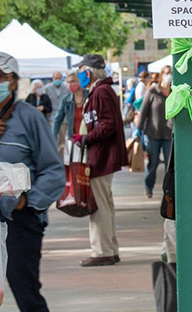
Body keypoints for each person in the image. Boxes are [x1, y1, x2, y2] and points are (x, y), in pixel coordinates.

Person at [0, 53, 65, 312]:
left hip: (19, 220)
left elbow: (53, 170)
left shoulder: (30, 117)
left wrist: (26, 201)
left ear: (13, 82)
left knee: (25, 291)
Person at [72, 54, 128, 267]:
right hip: (101, 156)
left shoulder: (101, 92)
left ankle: (103, 250)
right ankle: (108, 249)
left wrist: (86, 138)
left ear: (89, 71)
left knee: (99, 206)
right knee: (104, 205)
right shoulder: (101, 91)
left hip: (101, 156)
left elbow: (107, 124)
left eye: (81, 70)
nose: (79, 75)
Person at [136, 65, 173, 199]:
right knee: (153, 163)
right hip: (153, 133)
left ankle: (168, 191)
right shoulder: (153, 91)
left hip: (169, 134)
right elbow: (143, 112)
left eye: (171, 73)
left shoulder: (174, 92)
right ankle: (148, 187)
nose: (169, 76)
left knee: (169, 165)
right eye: (167, 73)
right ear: (162, 74)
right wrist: (138, 131)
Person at [52, 71, 85, 153]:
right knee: (76, 164)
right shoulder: (66, 100)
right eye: (68, 82)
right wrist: (52, 138)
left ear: (79, 81)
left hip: (88, 137)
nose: (70, 84)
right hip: (74, 139)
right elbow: (57, 120)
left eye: (73, 81)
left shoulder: (89, 96)